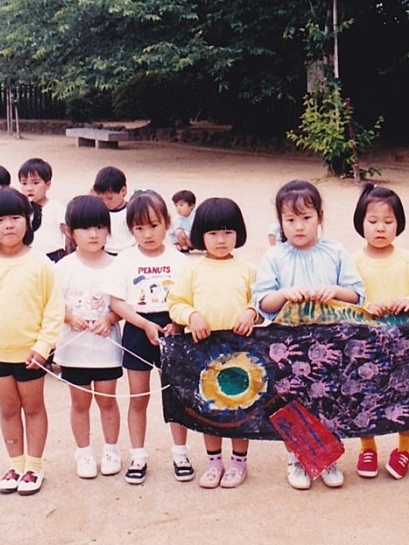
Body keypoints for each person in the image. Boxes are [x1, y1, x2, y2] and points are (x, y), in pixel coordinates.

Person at [252, 179, 365, 490]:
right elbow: (262, 302)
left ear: (320, 217)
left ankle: (328, 457)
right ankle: (297, 458)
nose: (299, 226)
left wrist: (336, 291)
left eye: (306, 218)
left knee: (330, 397)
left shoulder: (335, 251)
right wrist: (284, 294)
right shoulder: (274, 257)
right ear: (280, 222)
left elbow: (357, 295)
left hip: (331, 342)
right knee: (294, 399)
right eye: (290, 220)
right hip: (289, 345)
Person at [0, 187, 64, 496]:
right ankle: (16, 465)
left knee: (33, 408)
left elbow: (54, 311)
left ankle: (34, 467)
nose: (8, 225)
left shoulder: (42, 264)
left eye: (16, 218)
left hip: (31, 356)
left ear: (28, 221)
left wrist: (43, 348)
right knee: (7, 410)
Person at [168, 197, 259, 489]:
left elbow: (261, 302)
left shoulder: (248, 269)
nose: (221, 240)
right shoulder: (193, 269)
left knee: (240, 405)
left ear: (238, 233)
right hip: (204, 349)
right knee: (210, 406)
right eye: (213, 233)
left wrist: (251, 312)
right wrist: (191, 316)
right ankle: (214, 462)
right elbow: (176, 302)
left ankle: (239, 462)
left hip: (240, 351)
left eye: (228, 232)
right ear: (200, 234)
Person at [103, 190, 193, 485]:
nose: (147, 234)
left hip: (173, 330)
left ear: (167, 222)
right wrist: (143, 324)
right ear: (130, 229)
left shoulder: (180, 260)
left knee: (176, 397)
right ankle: (138, 456)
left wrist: (177, 324)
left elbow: (189, 298)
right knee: (138, 397)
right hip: (138, 329)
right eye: (139, 228)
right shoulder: (125, 260)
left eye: (154, 225)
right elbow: (117, 302)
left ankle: (181, 454)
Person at [350, 184, 409, 480]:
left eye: (388, 221)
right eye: (373, 221)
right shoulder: (352, 262)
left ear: (399, 224)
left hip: (403, 344)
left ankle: (404, 449)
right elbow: (344, 297)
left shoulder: (408, 261)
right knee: (364, 394)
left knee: (405, 394)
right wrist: (365, 306)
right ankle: (367, 448)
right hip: (365, 345)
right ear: (361, 222)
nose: (380, 228)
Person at [54, 196, 123, 480]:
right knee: (80, 403)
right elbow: (52, 305)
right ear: (71, 232)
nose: (93, 234)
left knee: (107, 400)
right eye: (85, 228)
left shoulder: (118, 265)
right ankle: (83, 452)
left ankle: (111, 450)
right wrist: (69, 318)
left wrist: (110, 319)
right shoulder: (63, 267)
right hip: (74, 350)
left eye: (100, 227)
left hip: (107, 349)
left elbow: (124, 304)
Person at [18, 158, 67, 262]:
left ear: (48, 184)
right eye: (24, 183)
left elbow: (69, 232)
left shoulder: (55, 207)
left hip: (53, 256)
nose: (29, 188)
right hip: (29, 256)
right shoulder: (21, 210)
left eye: (35, 183)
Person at [92, 166, 135, 255]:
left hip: (129, 253)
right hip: (107, 253)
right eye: (101, 199)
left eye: (109, 198)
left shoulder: (132, 211)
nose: (106, 202)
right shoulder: (100, 212)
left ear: (123, 191)